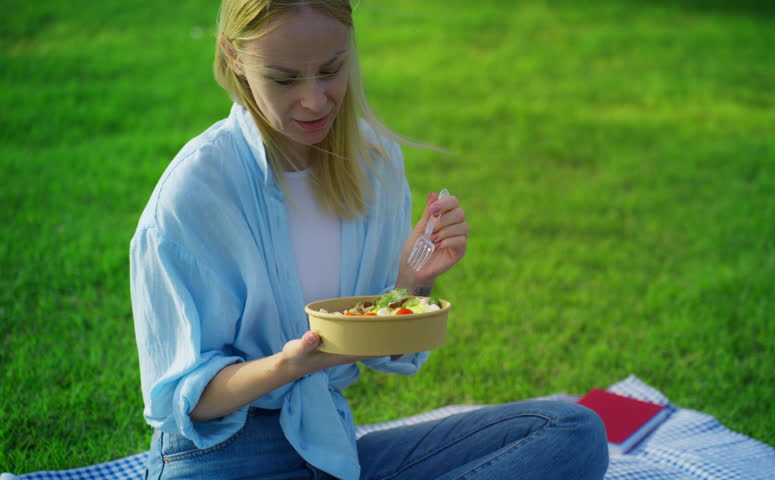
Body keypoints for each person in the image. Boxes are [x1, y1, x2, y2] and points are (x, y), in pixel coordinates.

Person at [130, 1, 609, 479]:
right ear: (234, 57)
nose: (315, 100)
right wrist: (288, 366)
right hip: (222, 457)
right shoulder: (193, 192)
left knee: (570, 432)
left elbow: (383, 347)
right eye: (284, 79)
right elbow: (181, 404)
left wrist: (411, 283)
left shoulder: (375, 162)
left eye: (331, 70)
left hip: (329, 448)